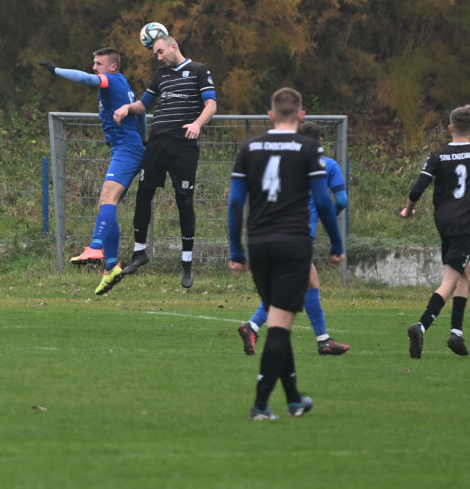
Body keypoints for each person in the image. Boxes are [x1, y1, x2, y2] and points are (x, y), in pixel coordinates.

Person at [228, 88, 345, 420]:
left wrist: (236, 248)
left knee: (279, 318)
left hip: (259, 243)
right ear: (302, 116)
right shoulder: (309, 149)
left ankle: (294, 399)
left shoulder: (249, 147)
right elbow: (324, 202)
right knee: (280, 326)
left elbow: (236, 202)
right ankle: (261, 405)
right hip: (294, 243)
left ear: (270, 116)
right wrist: (336, 244)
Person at [400, 104, 470, 358]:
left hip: (445, 223)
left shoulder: (438, 155)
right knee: (450, 280)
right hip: (466, 223)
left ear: (450, 128)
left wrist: (408, 210)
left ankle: (456, 334)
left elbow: (417, 189)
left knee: (466, 273)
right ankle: (421, 326)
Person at [112, 33, 216, 289]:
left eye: (160, 52)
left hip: (182, 146)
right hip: (157, 144)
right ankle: (139, 252)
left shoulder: (198, 70)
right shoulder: (161, 74)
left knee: (184, 200)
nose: (158, 57)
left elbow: (211, 104)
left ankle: (187, 262)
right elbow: (144, 105)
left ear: (173, 47)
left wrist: (197, 123)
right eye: (156, 54)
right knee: (143, 193)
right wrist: (127, 108)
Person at [238, 121, 350, 356]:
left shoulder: (283, 163)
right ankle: (254, 326)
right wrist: (328, 217)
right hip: (298, 233)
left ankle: (322, 339)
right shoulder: (329, 165)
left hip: (269, 229)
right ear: (320, 142)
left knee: (308, 282)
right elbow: (341, 201)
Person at [39, 50, 146, 296]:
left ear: (113, 66)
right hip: (127, 147)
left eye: (99, 64)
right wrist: (144, 141)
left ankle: (96, 247)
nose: (94, 68)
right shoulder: (124, 85)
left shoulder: (112, 80)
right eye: (93, 63)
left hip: (127, 149)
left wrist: (57, 71)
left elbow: (87, 79)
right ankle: (112, 266)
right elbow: (140, 114)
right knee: (106, 204)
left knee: (107, 198)